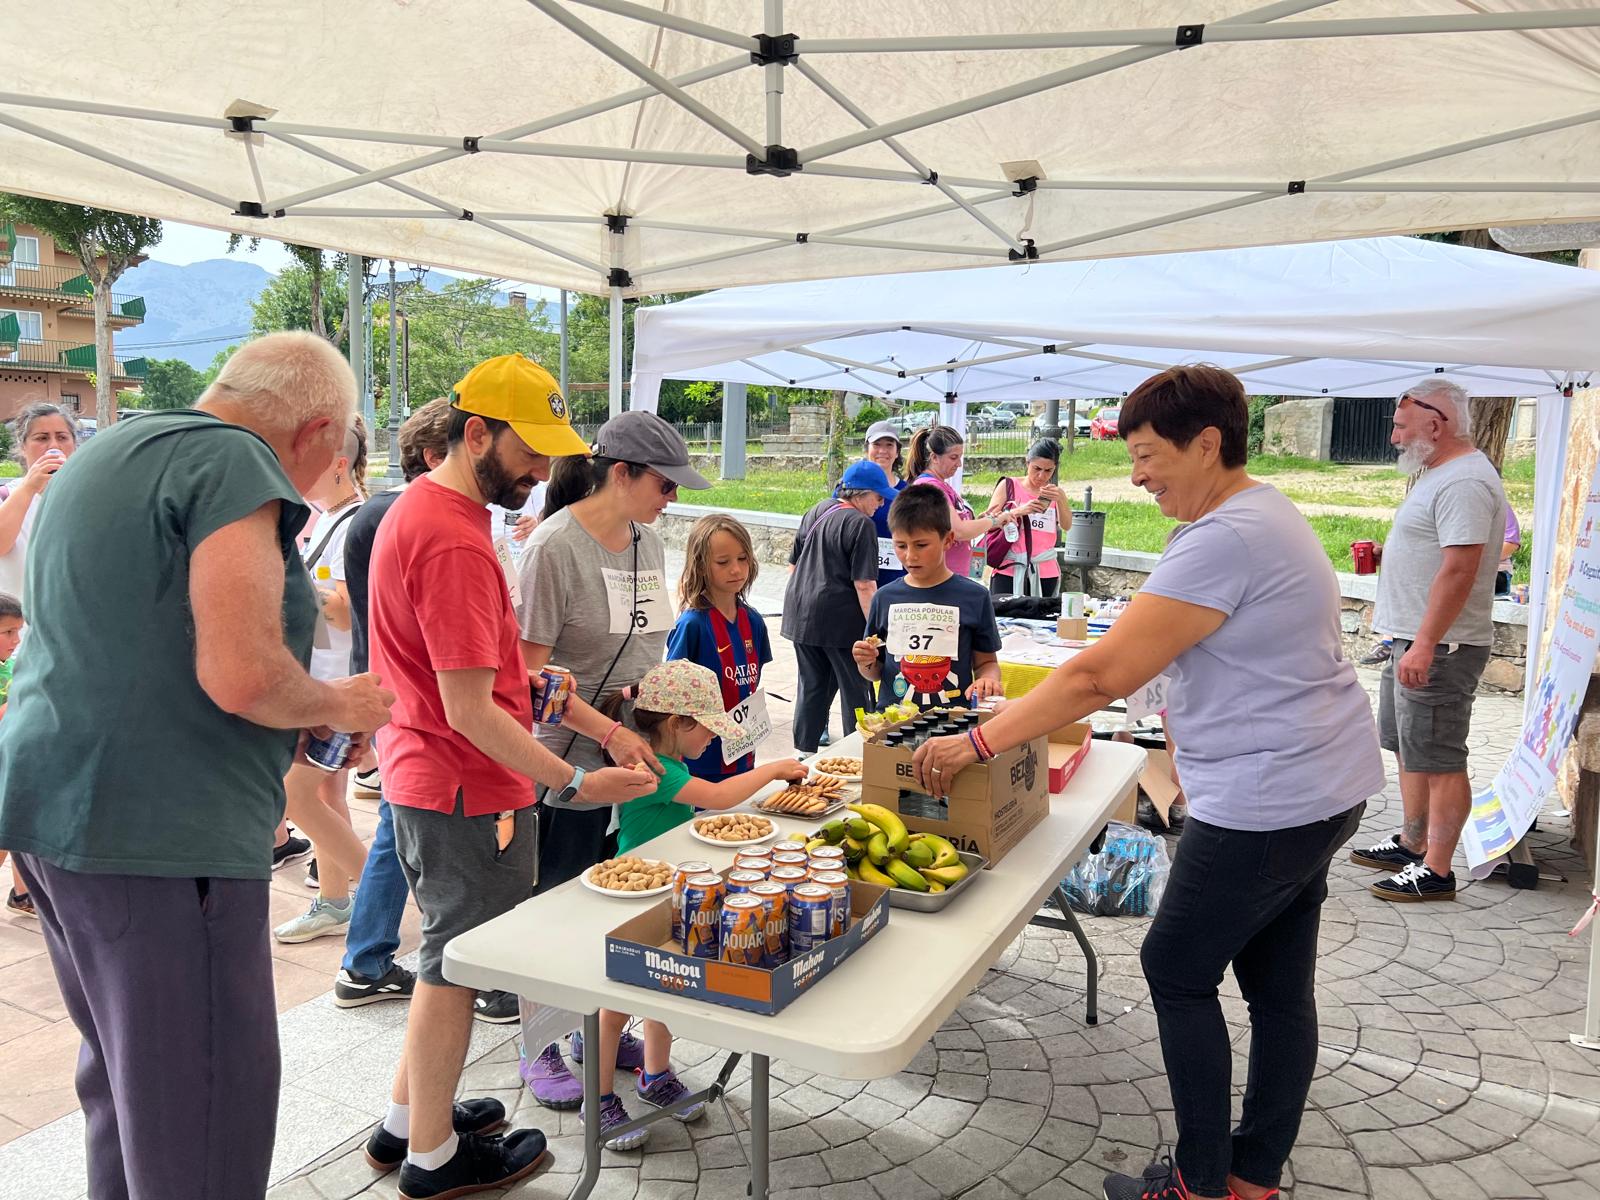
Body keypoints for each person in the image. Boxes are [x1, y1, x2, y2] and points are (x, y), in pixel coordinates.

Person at [910, 365, 1382, 1200]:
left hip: (1270, 797)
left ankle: (1201, 1184)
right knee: (1278, 986)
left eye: (1147, 455)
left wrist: (977, 742)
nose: (1137, 474)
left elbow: (1098, 678)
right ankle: (1250, 1175)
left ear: (1208, 444)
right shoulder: (1259, 513)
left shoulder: (1226, 536)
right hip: (1319, 783)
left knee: (1175, 965)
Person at [0, 331, 395, 1200]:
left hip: (55, 813)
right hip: (160, 841)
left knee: (132, 1093)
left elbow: (139, 642)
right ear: (315, 428)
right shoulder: (233, 464)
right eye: (330, 456)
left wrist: (290, 721)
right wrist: (338, 703)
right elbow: (245, 673)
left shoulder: (112, 451)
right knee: (207, 1108)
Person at [365, 354, 655, 1198]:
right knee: (451, 970)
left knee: (442, 961)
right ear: (476, 432)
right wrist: (571, 780)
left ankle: (403, 1124)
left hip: (436, 774)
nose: (542, 472)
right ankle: (432, 1159)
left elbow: (490, 678)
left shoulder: (433, 511)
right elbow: (470, 710)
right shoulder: (453, 537)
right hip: (460, 782)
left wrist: (572, 712)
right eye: (529, 452)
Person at [515, 410, 708, 1103]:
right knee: (557, 902)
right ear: (619, 473)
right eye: (665, 482)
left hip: (632, 756)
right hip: (566, 760)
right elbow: (528, 682)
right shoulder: (553, 548)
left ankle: (588, 1025)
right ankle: (538, 1044)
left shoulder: (649, 543)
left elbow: (648, 645)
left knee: (616, 900)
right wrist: (610, 729)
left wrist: (659, 709)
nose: (674, 496)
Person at [587, 660, 806, 1147]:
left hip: (670, 888)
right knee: (617, 1004)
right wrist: (772, 768)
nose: (713, 739)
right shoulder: (654, 767)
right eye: (708, 728)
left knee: (664, 985)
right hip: (636, 898)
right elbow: (719, 796)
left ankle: (654, 1074)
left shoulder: (672, 761)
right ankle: (598, 1099)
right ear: (677, 724)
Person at [1349, 378, 1506, 903]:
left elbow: (1460, 570)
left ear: (1435, 424)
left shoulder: (1463, 481)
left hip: (1440, 648)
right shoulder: (1438, 472)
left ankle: (1437, 870)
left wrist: (1424, 642)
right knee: (1409, 748)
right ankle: (1413, 843)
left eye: (1400, 425)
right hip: (1415, 640)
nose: (1393, 437)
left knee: (1439, 757)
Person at [332, 398, 452, 1007]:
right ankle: (369, 958)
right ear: (434, 456)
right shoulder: (400, 514)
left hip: (385, 687)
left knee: (393, 824)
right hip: (402, 695)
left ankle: (366, 957)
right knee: (400, 826)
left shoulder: (381, 510)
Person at [275, 413, 374, 942]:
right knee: (325, 797)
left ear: (338, 464)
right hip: (325, 686)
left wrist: (284, 585)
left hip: (340, 688)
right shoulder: (329, 518)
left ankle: (380, 895)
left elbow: (344, 610)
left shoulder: (353, 523)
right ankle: (337, 901)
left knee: (299, 795)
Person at [781, 459, 898, 753]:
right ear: (859, 494)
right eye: (877, 496)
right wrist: (877, 632)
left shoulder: (816, 510)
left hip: (800, 615)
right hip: (841, 623)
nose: (881, 503)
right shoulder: (861, 524)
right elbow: (865, 585)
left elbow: (793, 566)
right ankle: (856, 750)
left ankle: (803, 753)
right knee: (855, 688)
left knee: (812, 687)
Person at [852, 484, 1004, 708]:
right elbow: (875, 673)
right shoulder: (884, 598)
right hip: (893, 725)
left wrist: (987, 680)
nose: (910, 556)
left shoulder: (975, 596)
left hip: (954, 724)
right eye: (900, 545)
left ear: (948, 540)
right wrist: (865, 662)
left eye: (921, 545)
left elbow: (987, 662)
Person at [667, 514, 773, 780]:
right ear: (701, 566)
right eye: (723, 562)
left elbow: (750, 683)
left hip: (743, 753)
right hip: (699, 761)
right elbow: (672, 696)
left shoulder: (755, 622)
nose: (736, 569)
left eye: (743, 558)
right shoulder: (692, 625)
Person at [906, 423, 1031, 579]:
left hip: (952, 576)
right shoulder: (930, 487)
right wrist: (993, 521)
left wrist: (982, 521)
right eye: (953, 457)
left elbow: (958, 526)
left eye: (960, 457)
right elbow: (958, 531)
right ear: (934, 458)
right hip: (941, 579)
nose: (959, 464)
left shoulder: (941, 485)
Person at [0, 401, 79, 602]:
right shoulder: (7, 496)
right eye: (42, 438)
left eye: (62, 437)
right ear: (22, 446)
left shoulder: (86, 496)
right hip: (20, 628)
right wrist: (29, 487)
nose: (53, 445)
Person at [987, 437, 1073, 598]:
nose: (1041, 476)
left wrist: (1061, 499)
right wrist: (1019, 511)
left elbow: (1067, 525)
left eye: (1048, 471)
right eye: (1036, 468)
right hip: (1010, 569)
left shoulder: (1054, 494)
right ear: (1027, 463)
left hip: (1045, 571)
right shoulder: (1009, 486)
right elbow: (987, 523)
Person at [0, 591, 29, 917]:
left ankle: (23, 894)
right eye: (8, 632)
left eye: (19, 631)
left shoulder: (8, 667)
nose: (16, 639)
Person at [863, 419, 909, 588]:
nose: (883, 451)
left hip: (896, 580)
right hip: (858, 579)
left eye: (889, 445)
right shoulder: (849, 489)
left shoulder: (907, 493)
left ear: (897, 452)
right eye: (877, 444)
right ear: (867, 449)